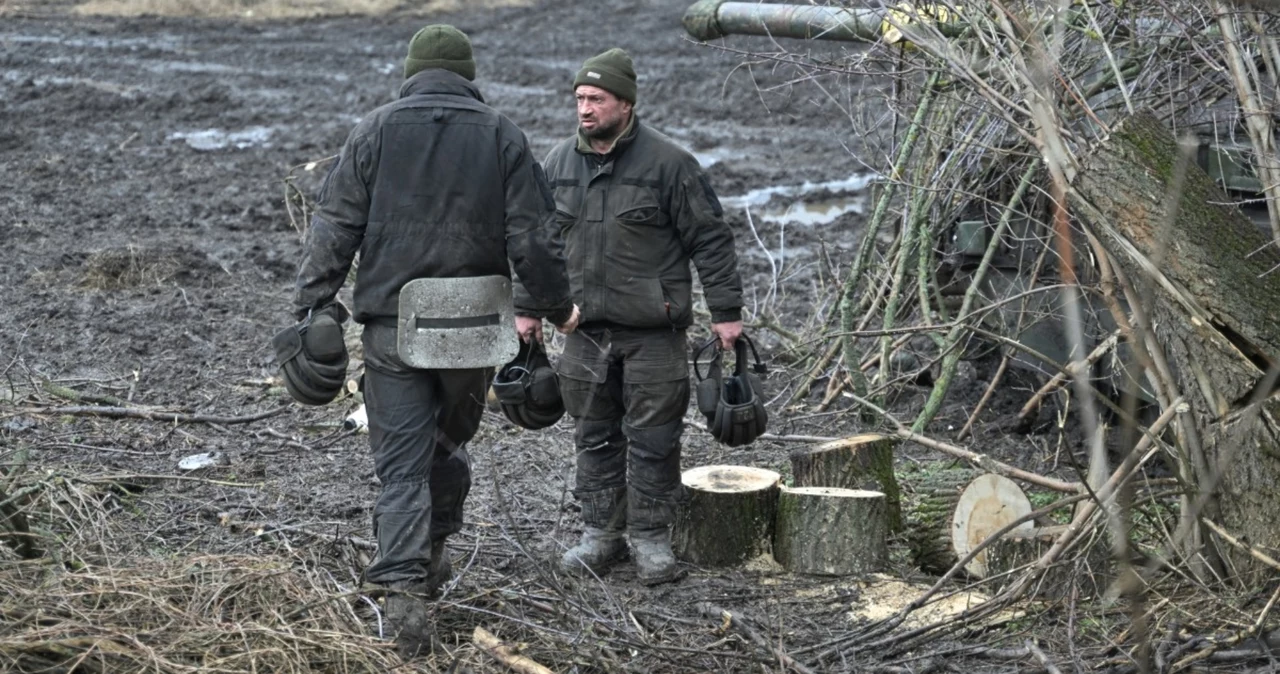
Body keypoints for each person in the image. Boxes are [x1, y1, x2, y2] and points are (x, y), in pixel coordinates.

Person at [289, 24, 579, 657]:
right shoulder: (502, 134)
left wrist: (313, 302)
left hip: (395, 328)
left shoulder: (374, 129)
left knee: (401, 465)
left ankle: (403, 594)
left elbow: (336, 224)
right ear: (468, 76)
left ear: (412, 71)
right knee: (445, 443)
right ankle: (436, 549)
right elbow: (534, 235)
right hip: (476, 331)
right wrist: (556, 308)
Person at [515, 47, 744, 585]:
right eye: (579, 99)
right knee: (592, 434)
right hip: (582, 330)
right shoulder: (555, 165)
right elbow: (535, 244)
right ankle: (600, 535)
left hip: (654, 333)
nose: (585, 109)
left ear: (626, 104)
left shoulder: (670, 164)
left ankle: (650, 540)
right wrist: (527, 309)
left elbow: (711, 240)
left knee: (654, 438)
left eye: (596, 99)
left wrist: (726, 313)